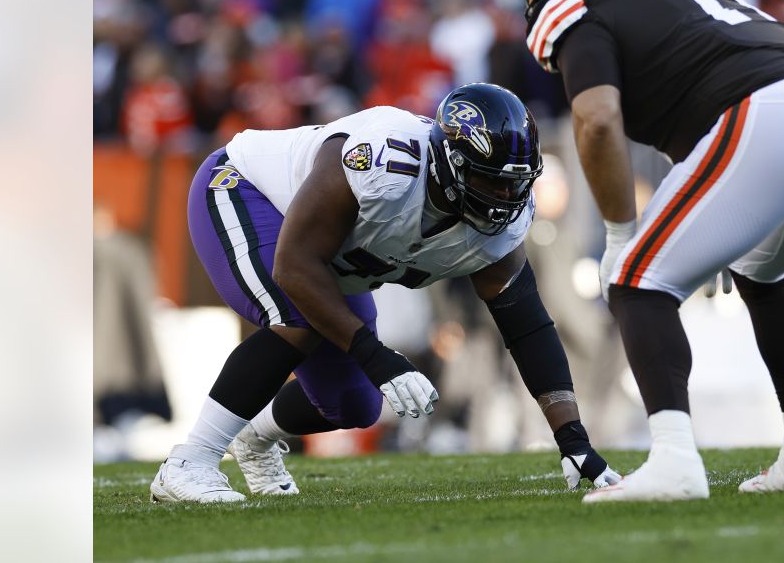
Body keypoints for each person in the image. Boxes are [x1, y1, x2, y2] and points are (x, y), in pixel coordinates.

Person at [516, 0, 784, 503]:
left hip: (768, 116)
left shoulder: (580, 1)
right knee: (766, 271)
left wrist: (617, 232)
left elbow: (598, 119)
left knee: (636, 278)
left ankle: (675, 461)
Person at [150, 83, 620, 503]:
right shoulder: (383, 161)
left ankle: (253, 436)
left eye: (515, 181)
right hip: (242, 190)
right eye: (490, 179)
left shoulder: (504, 225)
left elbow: (528, 325)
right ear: (450, 164)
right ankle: (190, 462)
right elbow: (293, 268)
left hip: (322, 259)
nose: (504, 196)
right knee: (298, 316)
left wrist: (574, 440)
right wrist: (376, 355)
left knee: (352, 403)